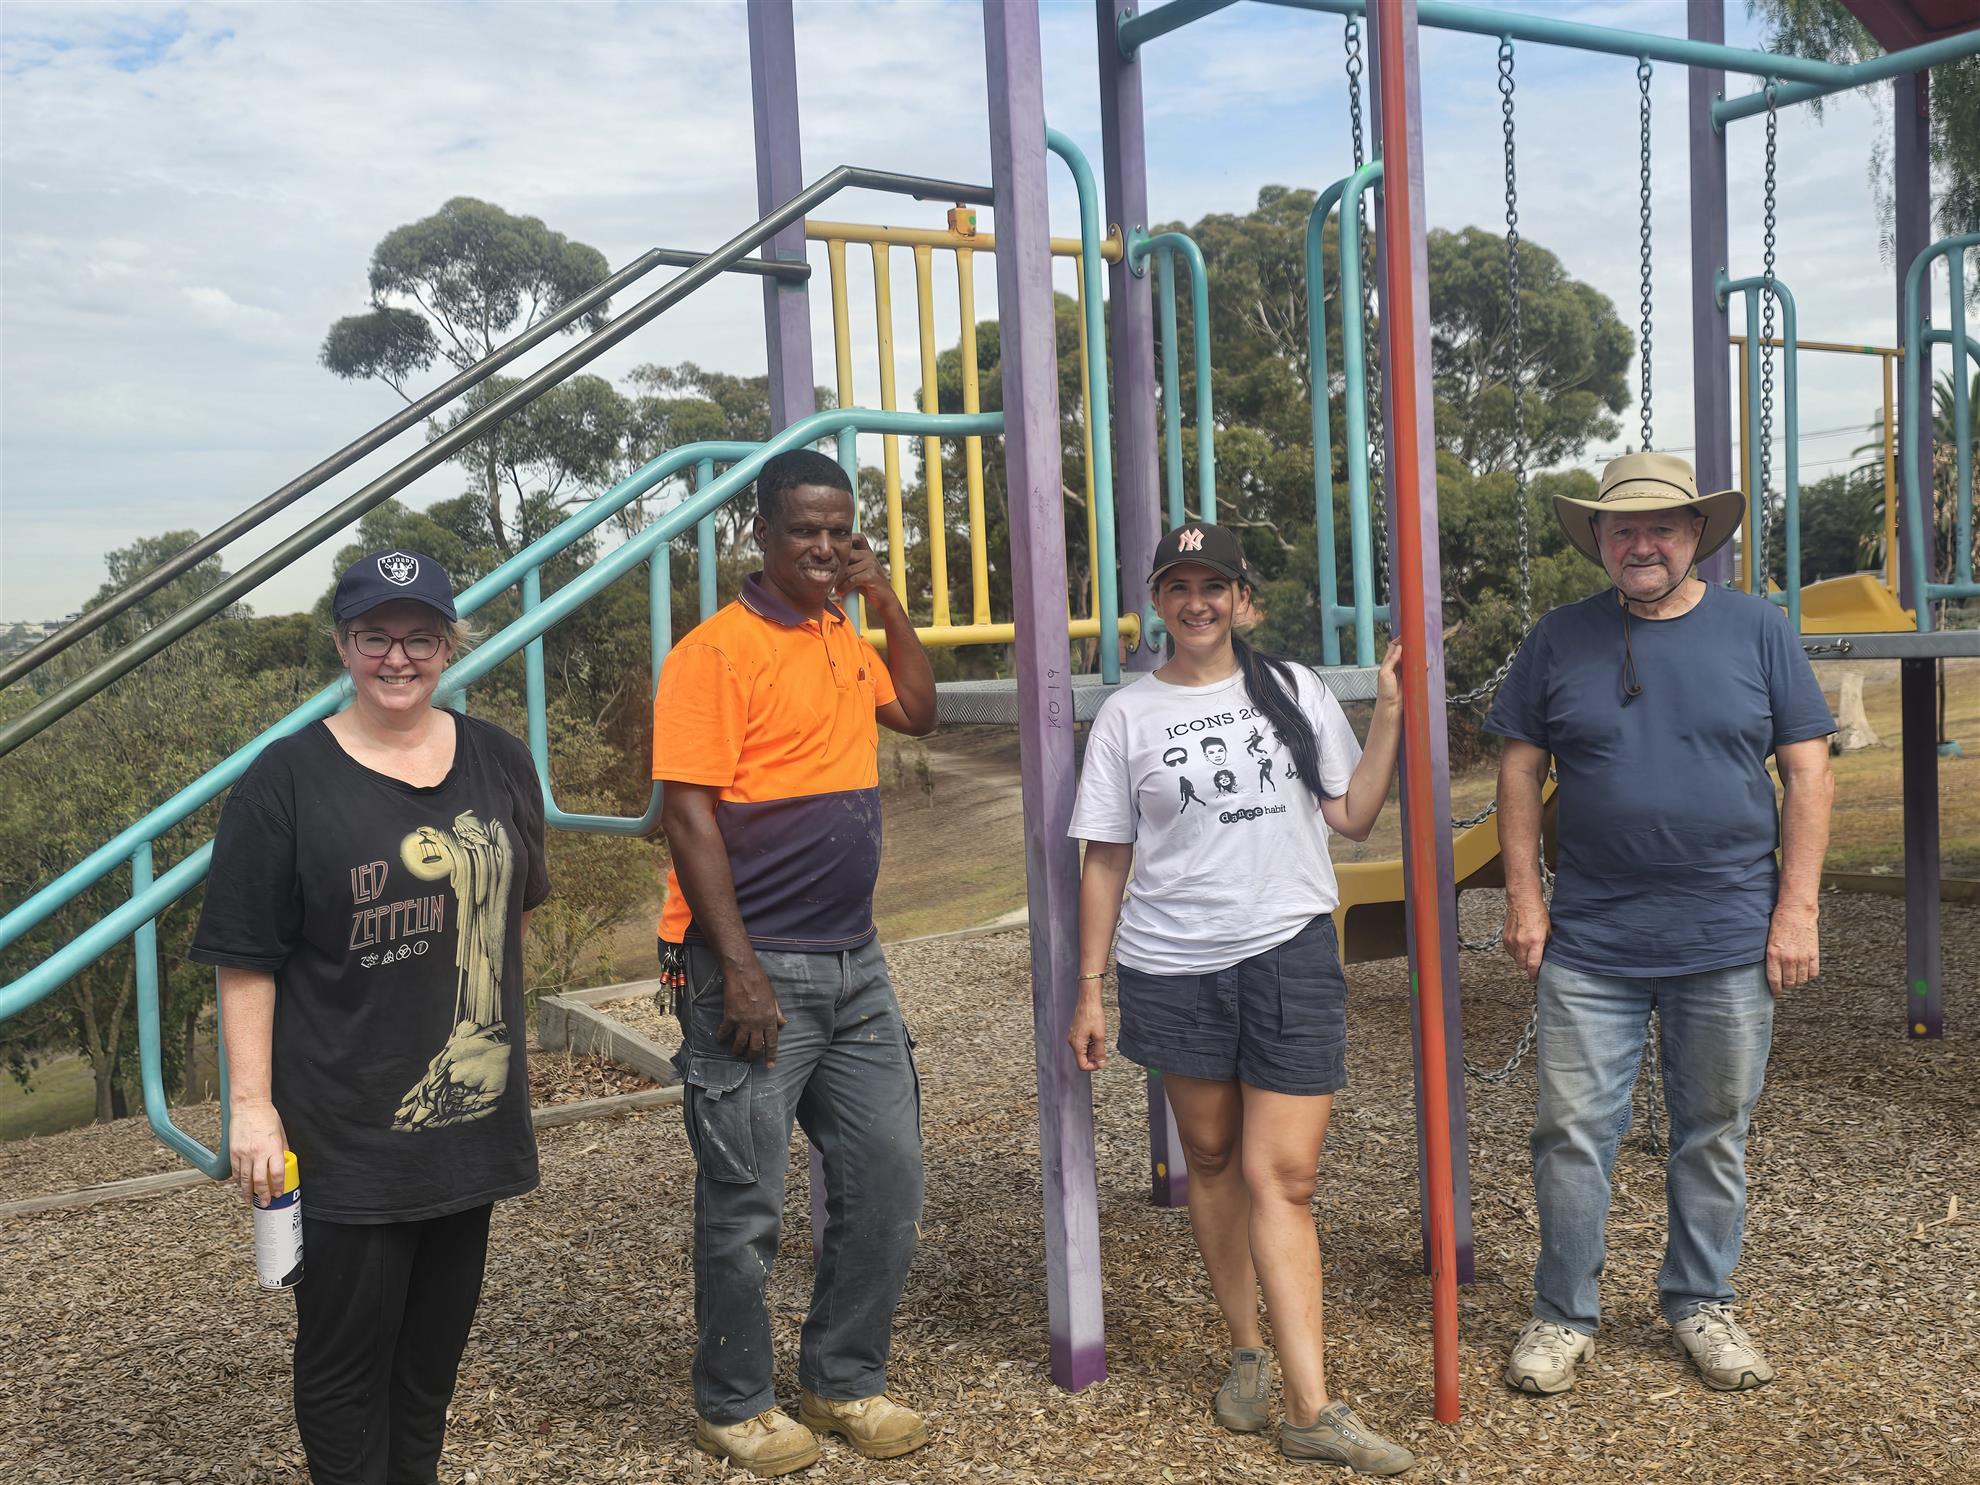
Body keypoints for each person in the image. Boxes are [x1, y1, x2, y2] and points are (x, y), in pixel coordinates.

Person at [192, 550, 551, 1484]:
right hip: (345, 1134)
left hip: (466, 1124)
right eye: (374, 636)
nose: (398, 657)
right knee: (346, 1370)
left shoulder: (499, 759)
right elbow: (245, 955)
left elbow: (512, 910)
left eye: (420, 636)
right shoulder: (286, 780)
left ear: (449, 645)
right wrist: (252, 1107)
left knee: (429, 1369)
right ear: (343, 645)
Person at [1066, 521, 1414, 1476]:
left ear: (1241, 599)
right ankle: (1247, 1350)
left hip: (1289, 951)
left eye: (1213, 585)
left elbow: (1353, 816)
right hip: (1172, 965)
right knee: (1213, 1159)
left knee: (1283, 1177)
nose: (1197, 601)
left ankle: (1312, 1407)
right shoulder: (1129, 715)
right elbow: (1106, 858)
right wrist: (1090, 987)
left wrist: (1388, 714)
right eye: (1178, 586)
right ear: (1158, 603)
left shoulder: (1293, 689)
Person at [1487, 452, 1835, 1396]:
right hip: (1591, 938)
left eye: (1662, 528)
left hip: (1728, 932)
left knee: (1713, 1130)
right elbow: (1519, 769)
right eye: (1623, 529)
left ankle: (1700, 1301)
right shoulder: (1558, 638)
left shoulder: (1757, 628)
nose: (1642, 544)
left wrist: (1797, 908)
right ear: (1599, 539)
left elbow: (1808, 770)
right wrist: (1525, 898)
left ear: (1696, 537)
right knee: (1570, 1132)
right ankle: (1563, 1312)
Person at [654, 448, 937, 1477]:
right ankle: (733, 1405)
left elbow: (918, 711)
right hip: (752, 965)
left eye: (837, 530)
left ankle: (843, 1380)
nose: (823, 547)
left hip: (855, 961)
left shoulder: (840, 636)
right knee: (746, 1203)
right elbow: (687, 816)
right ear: (762, 533)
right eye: (803, 530)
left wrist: (884, 601)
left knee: (888, 1178)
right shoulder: (714, 654)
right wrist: (739, 969)